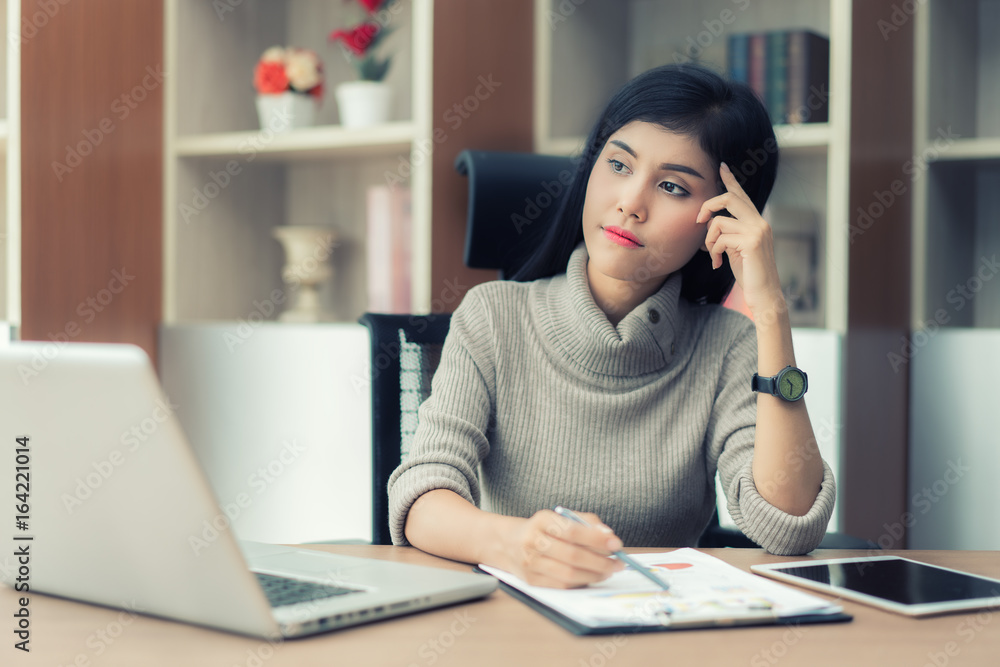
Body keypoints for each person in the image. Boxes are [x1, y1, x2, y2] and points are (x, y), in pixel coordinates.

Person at [387, 63, 835, 589]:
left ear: (721, 220)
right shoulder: (492, 316)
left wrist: (770, 310)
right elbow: (422, 497)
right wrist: (516, 545)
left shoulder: (728, 345)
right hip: (514, 625)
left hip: (661, 629)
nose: (630, 202)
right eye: (619, 165)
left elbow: (788, 526)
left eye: (671, 185)